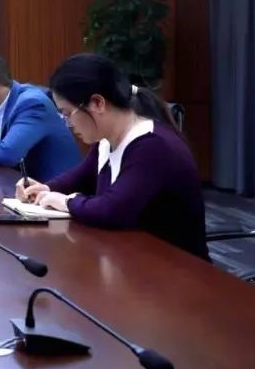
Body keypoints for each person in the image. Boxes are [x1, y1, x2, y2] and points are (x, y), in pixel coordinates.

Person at [17, 53, 209, 259]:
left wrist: (66, 202)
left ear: (97, 103)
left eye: (67, 113)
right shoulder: (107, 139)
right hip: (130, 258)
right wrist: (46, 188)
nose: (68, 124)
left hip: (175, 268)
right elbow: (81, 178)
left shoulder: (153, 145)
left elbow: (111, 210)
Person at [0, 49, 79, 181]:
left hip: (57, 189)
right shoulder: (4, 102)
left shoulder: (31, 103)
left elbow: (7, 153)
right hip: (30, 187)